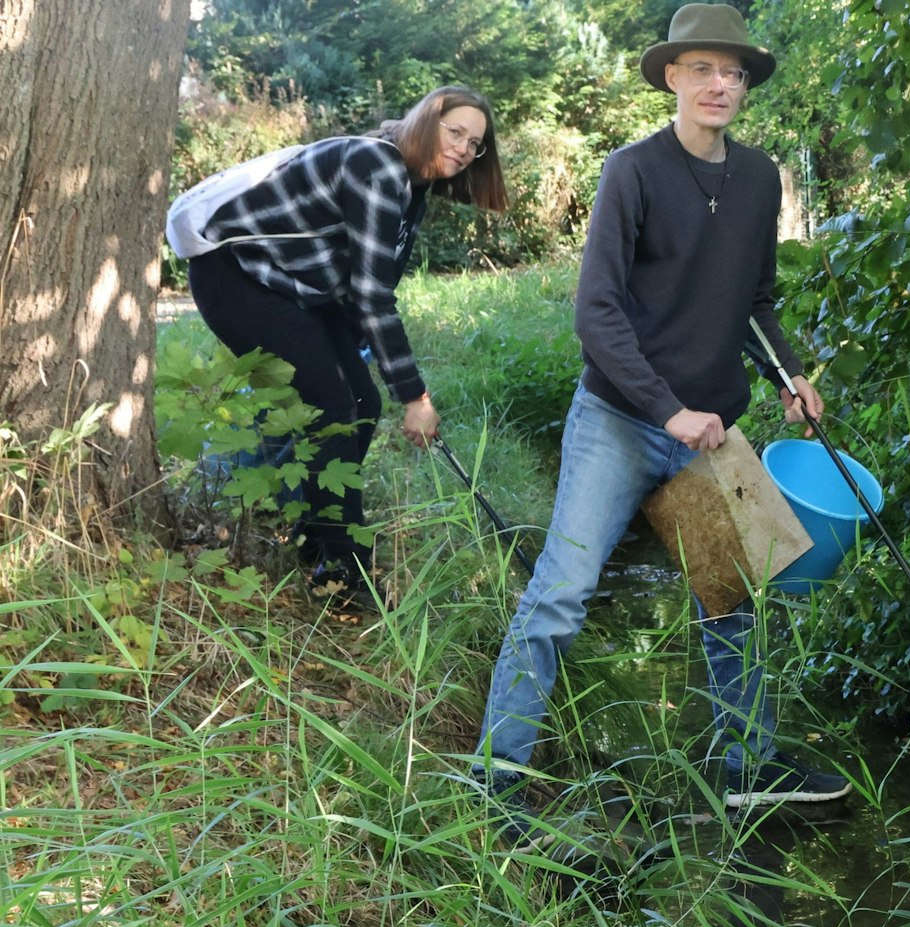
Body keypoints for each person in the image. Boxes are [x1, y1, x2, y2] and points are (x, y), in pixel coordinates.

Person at [477, 3, 851, 837]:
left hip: (713, 427)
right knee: (562, 595)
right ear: (673, 77)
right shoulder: (631, 172)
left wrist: (789, 374)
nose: (720, 84)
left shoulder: (760, 179)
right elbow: (597, 315)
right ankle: (496, 781)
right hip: (618, 418)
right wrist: (666, 409)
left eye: (734, 73)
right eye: (704, 69)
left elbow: (755, 301)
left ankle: (746, 767)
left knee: (734, 599)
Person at [185, 86, 509, 606]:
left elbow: (365, 284)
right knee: (333, 407)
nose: (465, 149)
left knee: (360, 402)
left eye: (475, 144)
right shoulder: (376, 165)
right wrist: (416, 397)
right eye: (456, 132)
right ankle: (340, 573)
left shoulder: (412, 183)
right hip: (236, 278)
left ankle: (315, 537)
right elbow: (372, 295)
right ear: (427, 121)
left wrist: (362, 364)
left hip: (291, 289)